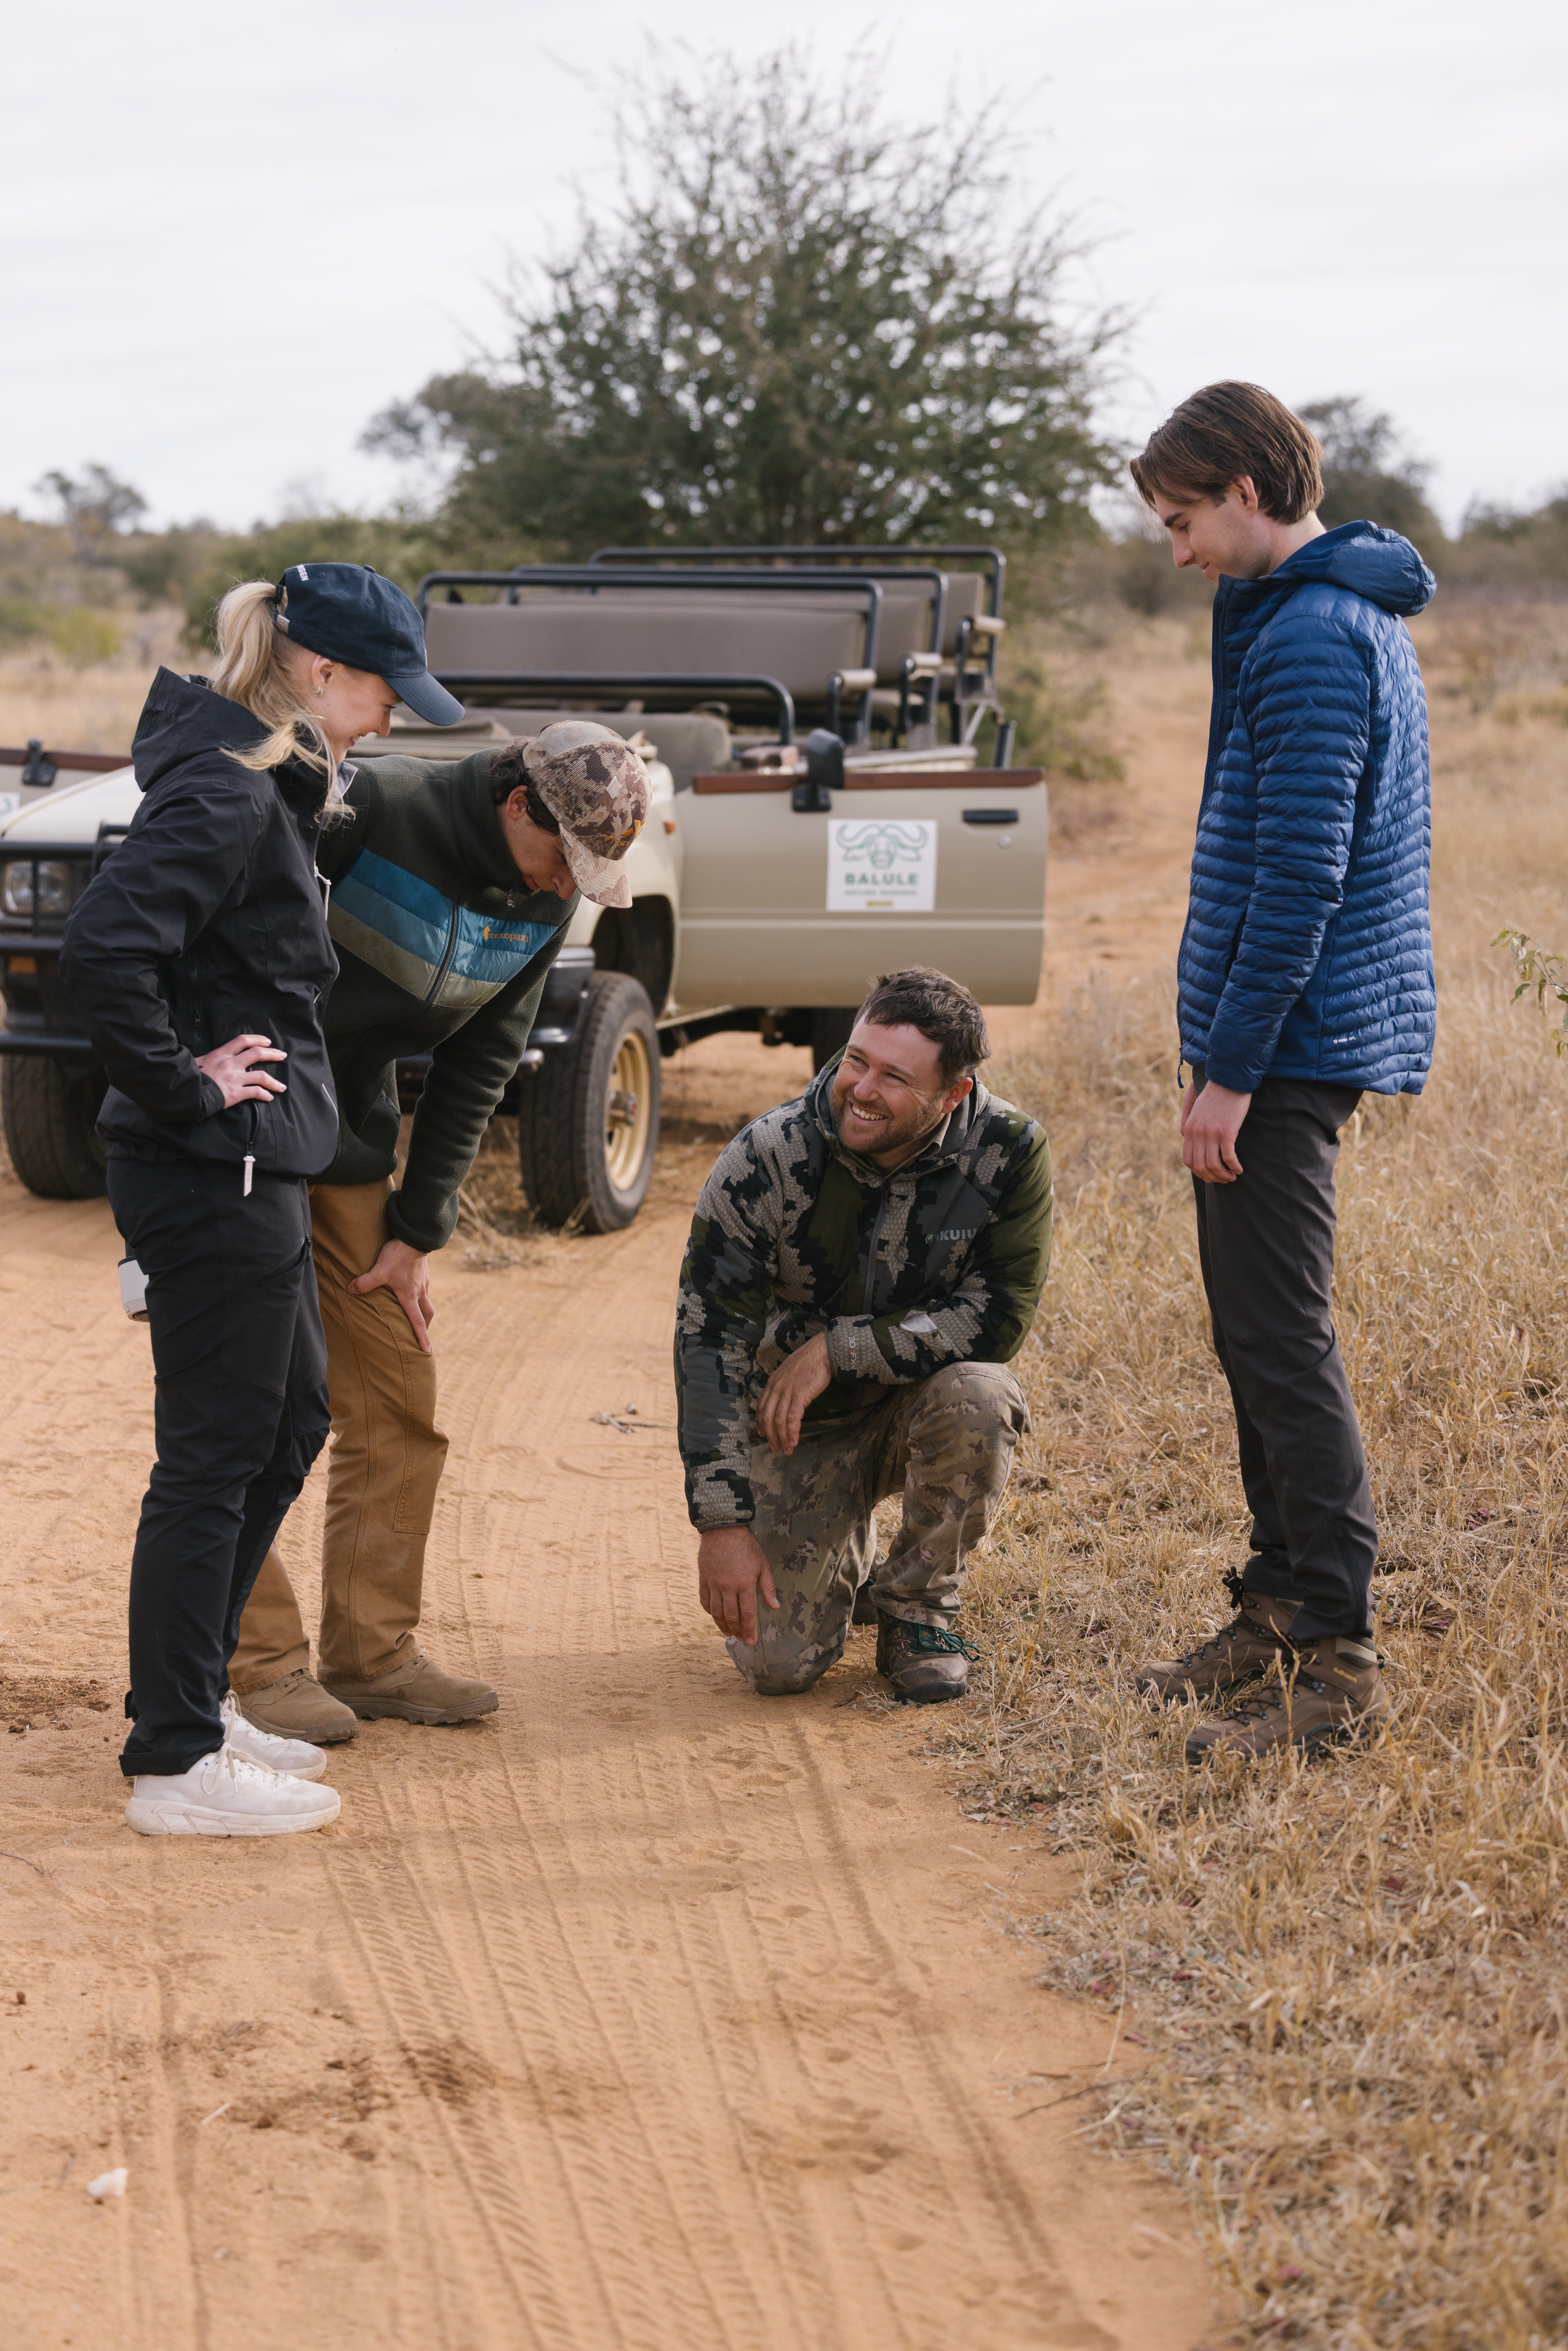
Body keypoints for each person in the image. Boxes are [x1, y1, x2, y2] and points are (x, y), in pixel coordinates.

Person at [60, 562, 468, 1832]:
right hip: (208, 1168)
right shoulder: (230, 791)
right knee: (214, 1454)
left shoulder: (272, 782)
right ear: (322, 670)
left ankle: (194, 1701)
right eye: (388, 692)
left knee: (288, 1422)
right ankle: (175, 1759)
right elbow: (103, 949)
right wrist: (186, 1086)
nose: (393, 717)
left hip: (258, 1163)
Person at [227, 715, 650, 1742]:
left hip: (348, 1145)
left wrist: (416, 1230)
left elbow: (482, 1060)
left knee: (397, 1395)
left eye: (586, 873)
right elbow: (225, 941)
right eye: (563, 856)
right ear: (517, 802)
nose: (567, 884)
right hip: (242, 1137)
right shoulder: (374, 809)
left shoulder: (547, 897)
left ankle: (373, 1656)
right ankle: (259, 1666)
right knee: (247, 1401)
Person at [1127, 381, 1436, 1762]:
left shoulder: (1314, 635)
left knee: (1283, 1341)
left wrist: (1233, 1069)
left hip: (1287, 1048)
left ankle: (1339, 1657)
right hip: (1275, 1040)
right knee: (1252, 1334)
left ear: (1246, 493)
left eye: (1184, 520)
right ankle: (1272, 1608)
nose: (1177, 551)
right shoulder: (1304, 613)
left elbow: (1303, 876)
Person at [676, 967, 1051, 1704]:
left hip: (918, 1404)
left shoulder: (1008, 1151)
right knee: (777, 1667)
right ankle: (848, 1565)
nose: (860, 1089)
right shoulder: (767, 1154)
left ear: (951, 1094)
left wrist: (838, 1348)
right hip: (796, 1428)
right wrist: (721, 1523)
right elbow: (708, 1339)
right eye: (856, 1060)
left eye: (893, 1078)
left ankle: (916, 1610)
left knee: (981, 1394)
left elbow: (998, 1314)